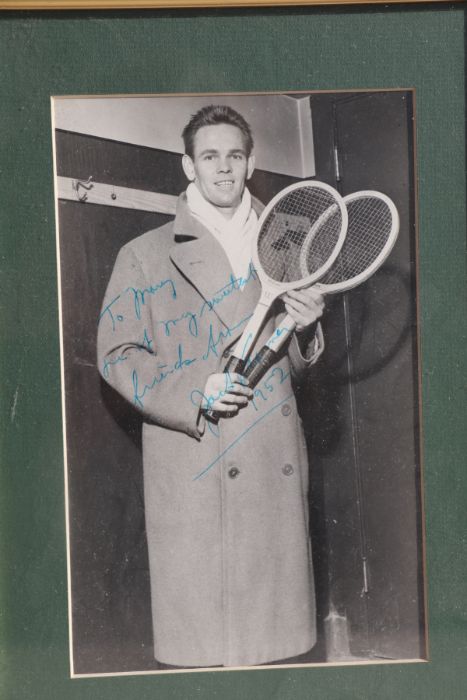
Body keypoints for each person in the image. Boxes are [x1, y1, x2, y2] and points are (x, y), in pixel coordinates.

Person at [97, 104, 325, 668]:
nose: (223, 168)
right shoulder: (144, 255)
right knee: (210, 652)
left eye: (235, 155)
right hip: (195, 460)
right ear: (187, 166)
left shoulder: (287, 247)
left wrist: (309, 325)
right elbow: (116, 355)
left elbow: (291, 366)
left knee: (274, 654)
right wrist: (198, 389)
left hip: (271, 460)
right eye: (209, 156)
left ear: (250, 164)